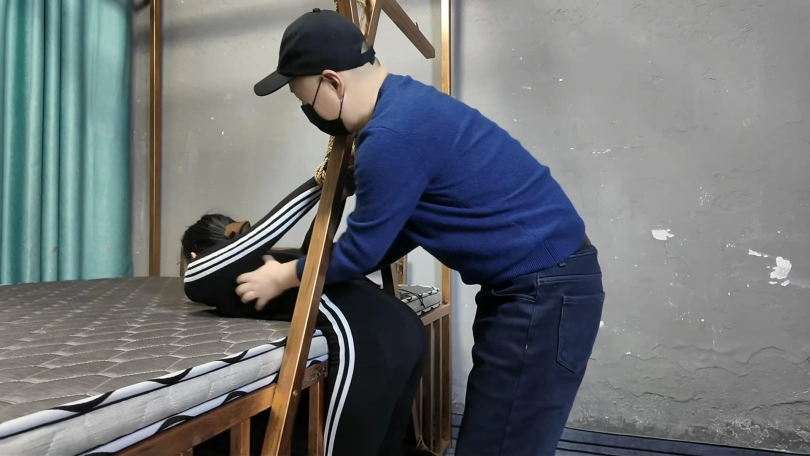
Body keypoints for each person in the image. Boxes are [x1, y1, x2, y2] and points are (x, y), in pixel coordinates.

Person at [236, 8, 606, 456]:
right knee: (496, 438)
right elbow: (401, 231)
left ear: (332, 82)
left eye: (305, 98)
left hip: (543, 289)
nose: (308, 112)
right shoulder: (407, 105)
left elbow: (363, 250)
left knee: (499, 446)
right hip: (539, 284)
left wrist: (284, 275)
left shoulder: (390, 135)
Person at [181, 178, 431, 456]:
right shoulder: (278, 260)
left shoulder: (207, 276)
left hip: (372, 343)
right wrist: (333, 196)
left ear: (193, 255)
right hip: (408, 329)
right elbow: (314, 250)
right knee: (387, 451)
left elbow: (197, 273)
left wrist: (322, 181)